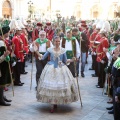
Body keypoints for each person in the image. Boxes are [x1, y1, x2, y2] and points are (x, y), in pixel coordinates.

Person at [36, 36, 78, 113]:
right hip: (51, 68)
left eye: (59, 41)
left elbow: (65, 60)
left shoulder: (63, 50)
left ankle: (57, 101)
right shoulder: (50, 49)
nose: (57, 43)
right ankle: (52, 104)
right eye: (56, 41)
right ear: (53, 41)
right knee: (52, 86)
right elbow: (43, 57)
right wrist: (36, 51)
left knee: (59, 86)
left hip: (61, 68)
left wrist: (72, 60)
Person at [0, 26, 12, 106]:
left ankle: (2, 96)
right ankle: (1, 99)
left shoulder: (3, 41)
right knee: (1, 82)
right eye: (8, 32)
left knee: (2, 82)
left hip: (4, 65)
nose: (9, 33)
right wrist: (5, 55)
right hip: (1, 66)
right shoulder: (0, 43)